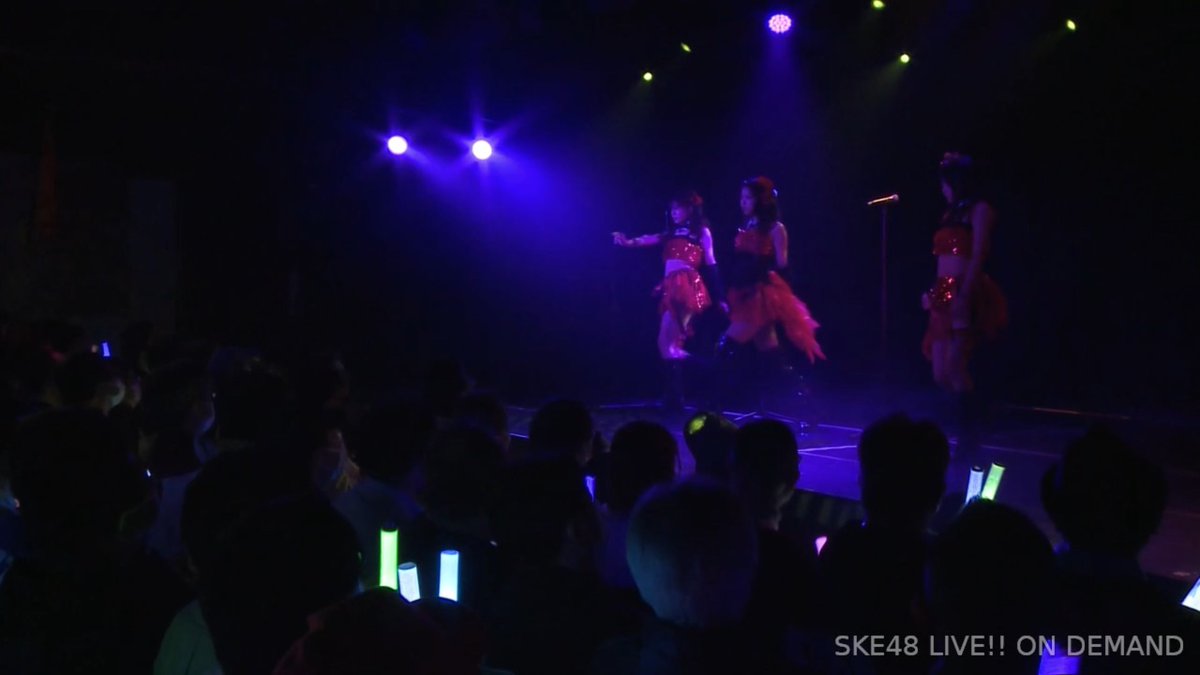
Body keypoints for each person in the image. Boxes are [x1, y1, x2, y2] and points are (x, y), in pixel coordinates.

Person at [922, 152, 1007, 457]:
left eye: (945, 183)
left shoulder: (980, 210)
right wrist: (933, 294)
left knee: (956, 367)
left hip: (963, 289)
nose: (942, 189)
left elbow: (978, 254)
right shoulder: (950, 214)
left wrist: (966, 294)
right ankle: (965, 428)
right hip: (943, 292)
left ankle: (969, 439)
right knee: (940, 372)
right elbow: (942, 261)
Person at [720, 177, 824, 367]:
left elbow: (782, 265)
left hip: (760, 294)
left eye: (748, 198)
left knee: (727, 346)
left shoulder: (776, 228)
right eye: (741, 197)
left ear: (761, 200)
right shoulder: (745, 227)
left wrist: (784, 299)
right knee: (768, 348)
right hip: (743, 290)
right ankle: (790, 386)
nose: (743, 202)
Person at [613, 190, 726, 362]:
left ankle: (705, 370)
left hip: (687, 285)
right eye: (672, 209)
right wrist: (628, 242)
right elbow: (649, 238)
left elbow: (711, 263)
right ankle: (702, 370)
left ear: (690, 209)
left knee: (668, 345)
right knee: (666, 345)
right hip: (671, 286)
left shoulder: (701, 232)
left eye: (678, 208)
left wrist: (720, 296)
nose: (673, 212)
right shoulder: (671, 233)